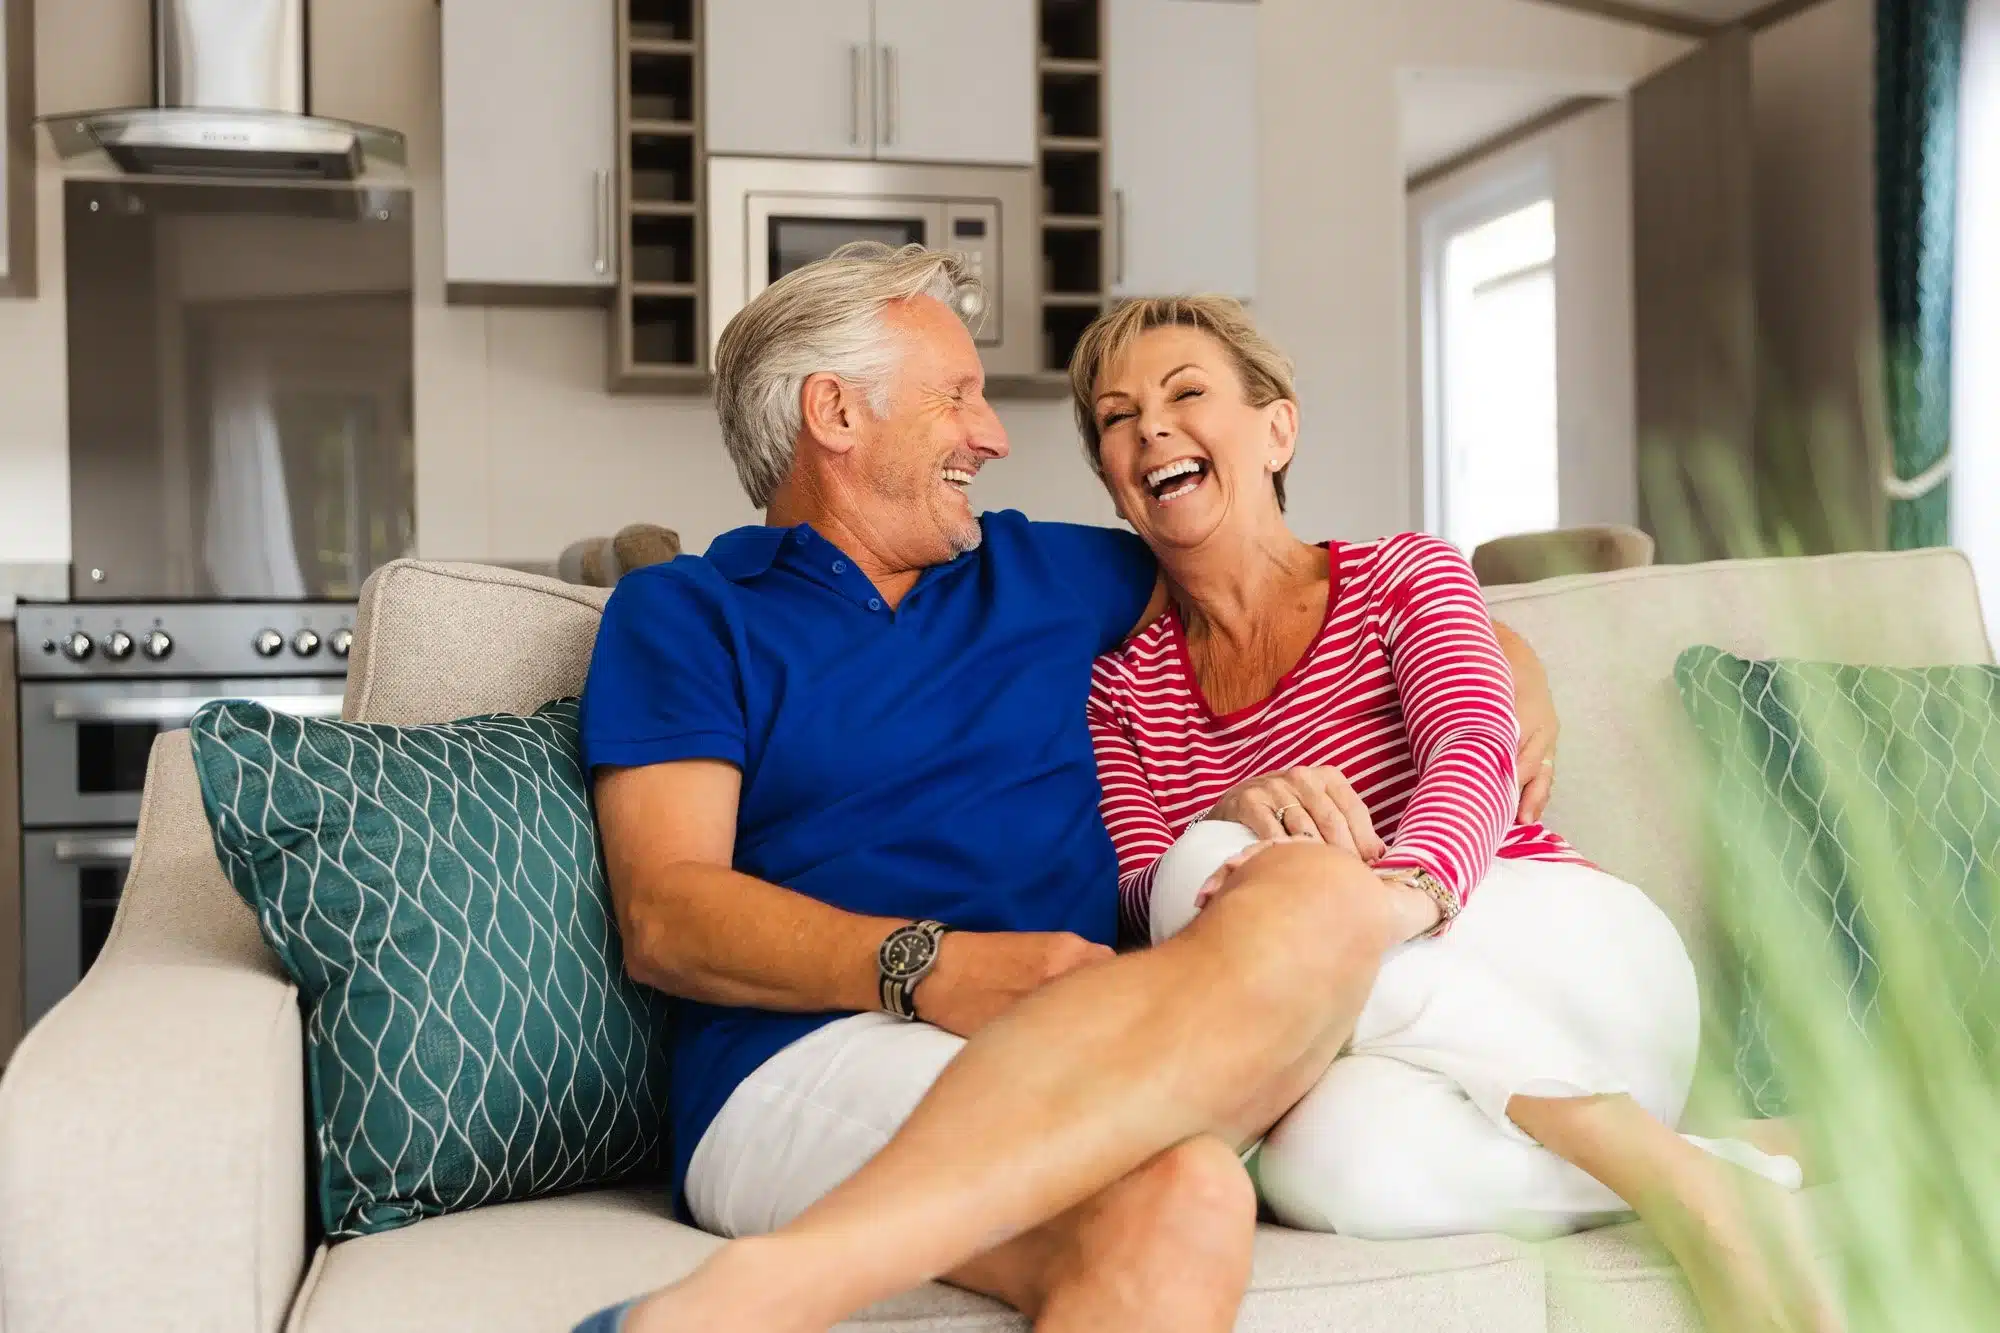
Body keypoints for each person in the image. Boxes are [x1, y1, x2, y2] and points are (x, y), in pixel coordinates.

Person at [569, 242, 1559, 1333]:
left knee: (1195, 1177)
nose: (992, 437)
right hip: (804, 1050)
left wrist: (1503, 653)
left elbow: (1274, 582)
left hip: (1090, 1031)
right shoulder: (688, 612)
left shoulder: (1043, 573)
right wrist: (933, 967)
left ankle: (732, 1304)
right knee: (1170, 1184)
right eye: (958, 397)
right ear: (834, 412)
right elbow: (666, 912)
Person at [1072, 295, 1834, 1333]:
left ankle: (1696, 1200)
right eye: (1116, 417)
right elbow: (1132, 896)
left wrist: (1385, 906)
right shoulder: (1120, 688)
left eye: (1184, 393)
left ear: (1276, 429)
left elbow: (1473, 753)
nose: (1149, 427)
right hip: (1390, 1060)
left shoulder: (1401, 574)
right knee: (1325, 1166)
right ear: (1112, 477)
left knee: (1229, 877)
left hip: (1553, 957)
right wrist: (1233, 810)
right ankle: (1705, 1167)